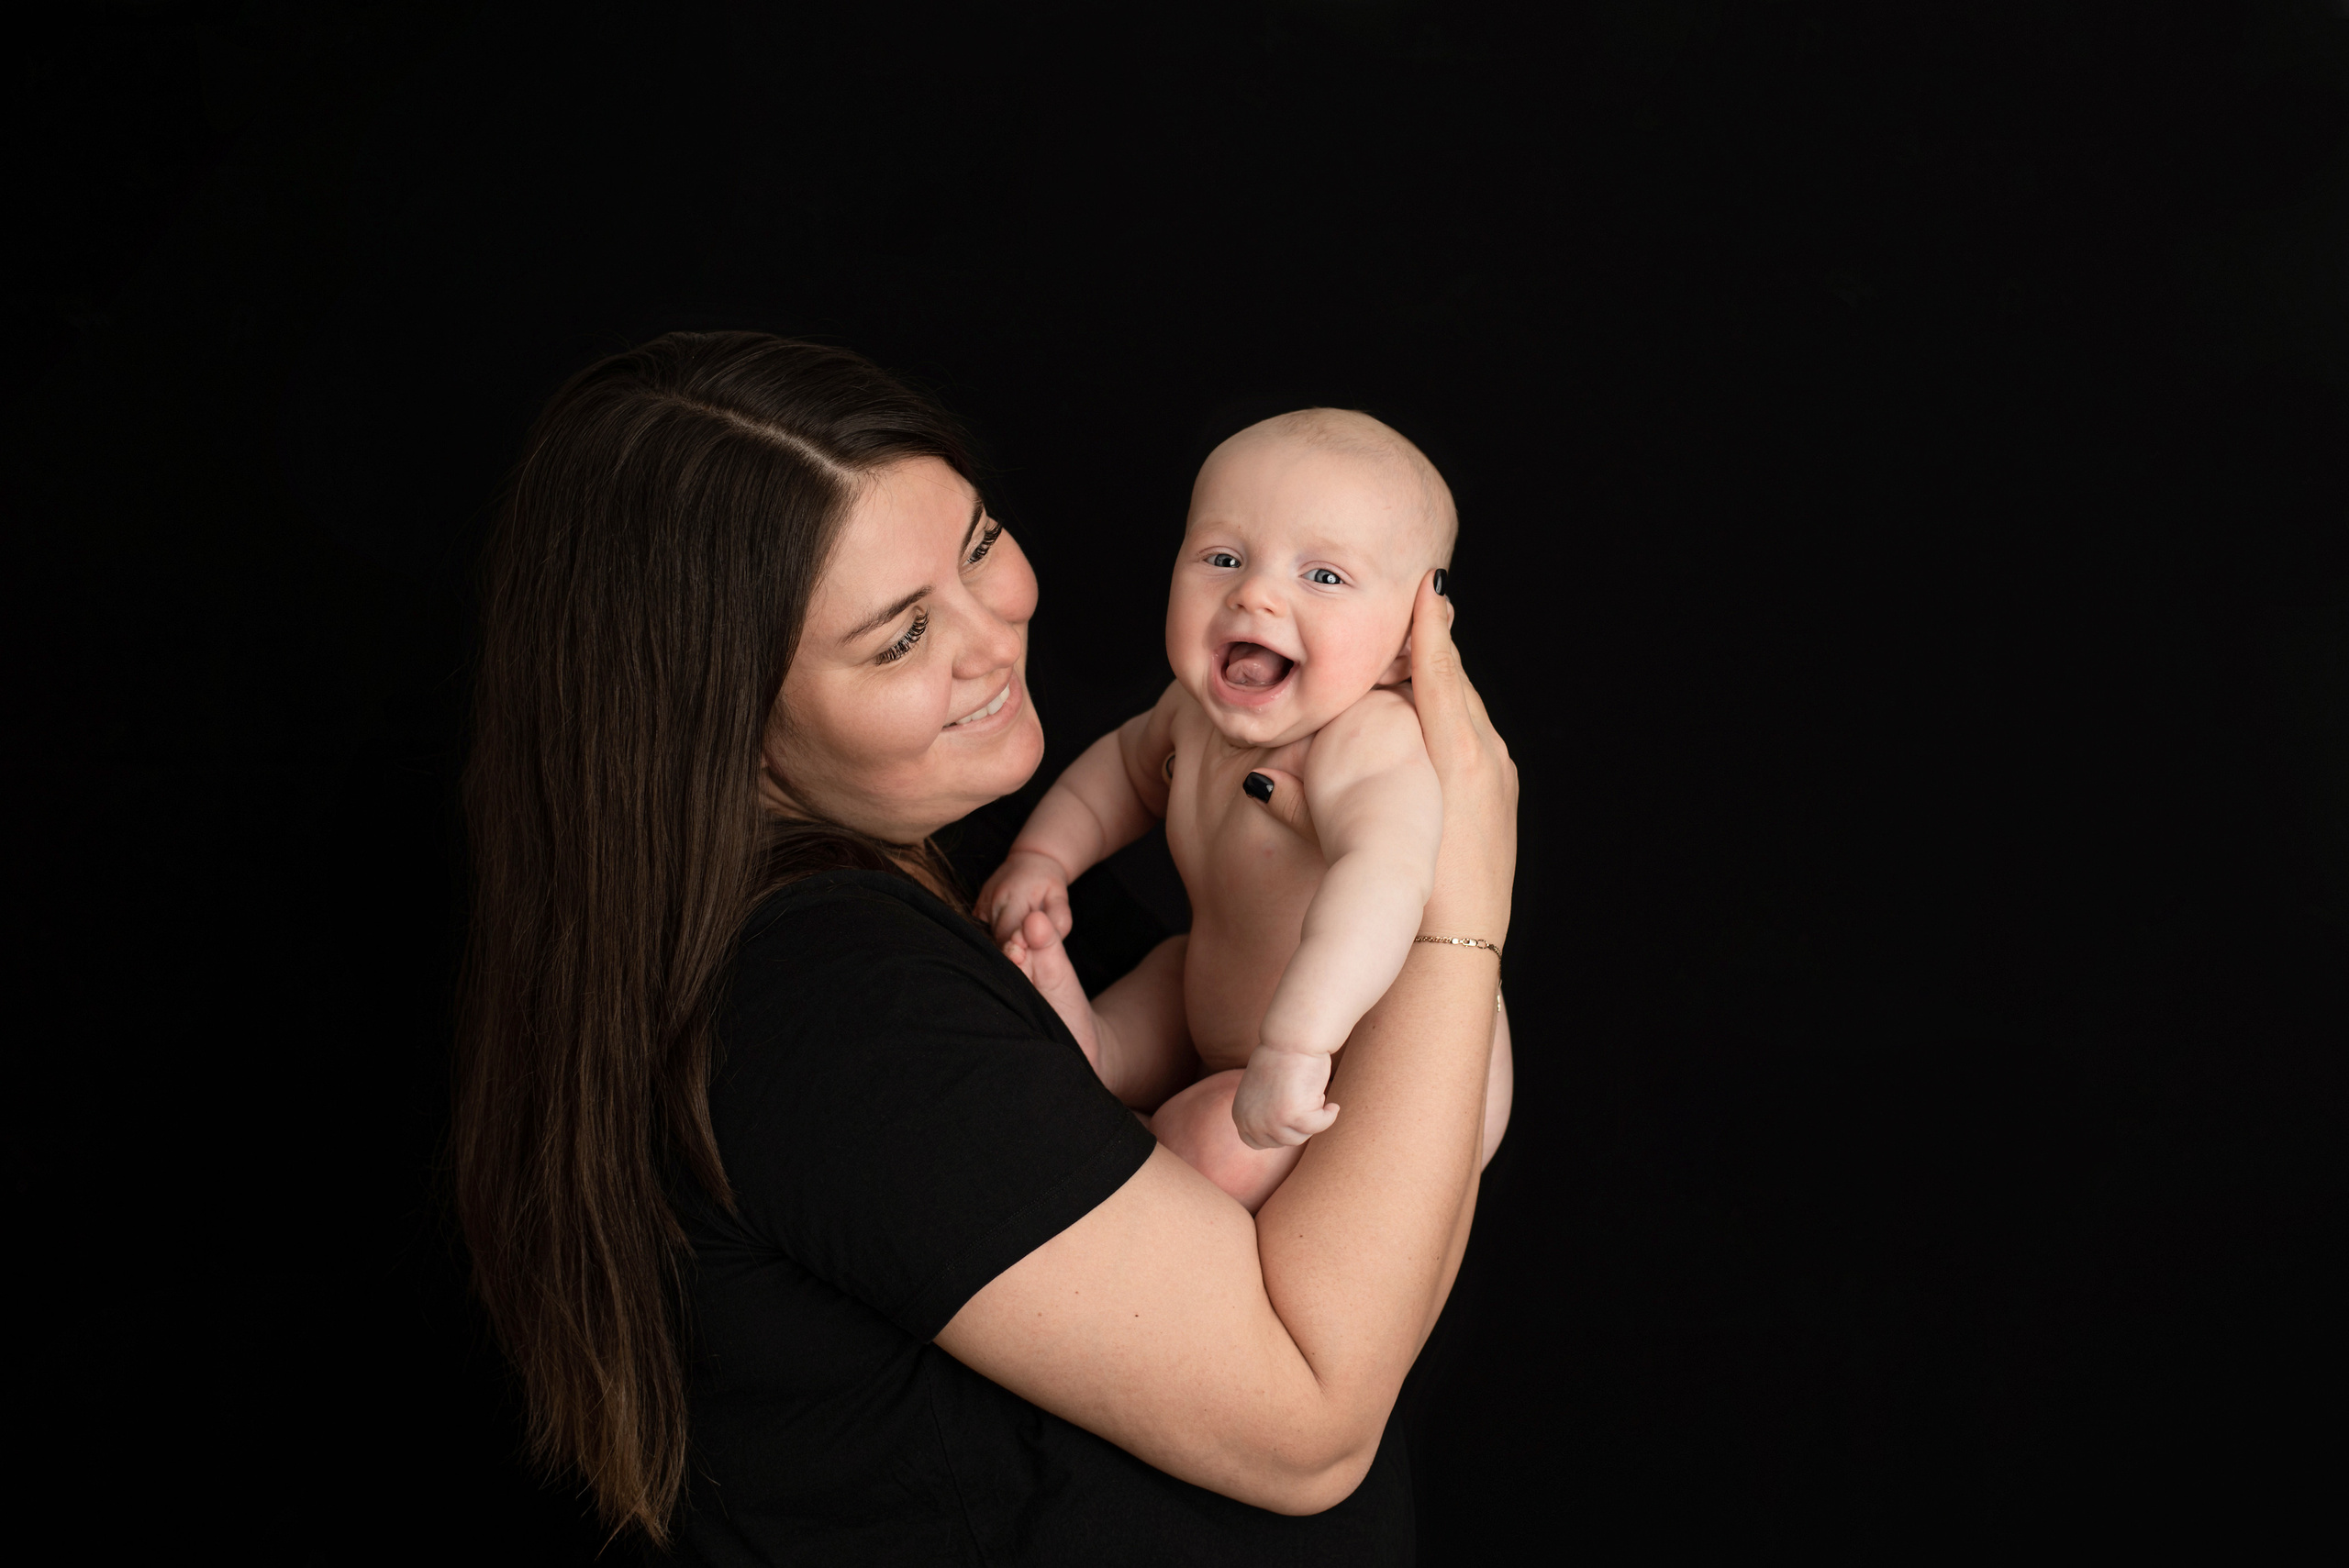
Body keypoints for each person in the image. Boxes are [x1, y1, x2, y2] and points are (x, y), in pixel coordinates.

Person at [452, 332, 1517, 1564]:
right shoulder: (834, 1001)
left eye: (978, 545)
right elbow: (1307, 1429)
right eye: (900, 637)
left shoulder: (946, 850)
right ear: (717, 716)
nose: (993, 636)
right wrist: (1462, 902)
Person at [977, 409, 1513, 1212]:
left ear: (1409, 641)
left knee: (1215, 1144)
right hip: (1230, 1017)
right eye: (1223, 558)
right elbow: (1121, 773)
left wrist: (1298, 1044)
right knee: (1169, 971)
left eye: (1323, 576)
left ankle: (1150, 1154)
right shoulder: (1187, 714)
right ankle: (1100, 1052)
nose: (1254, 593)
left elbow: (1385, 879)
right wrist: (1042, 858)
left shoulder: (1369, 739)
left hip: (1345, 1072)